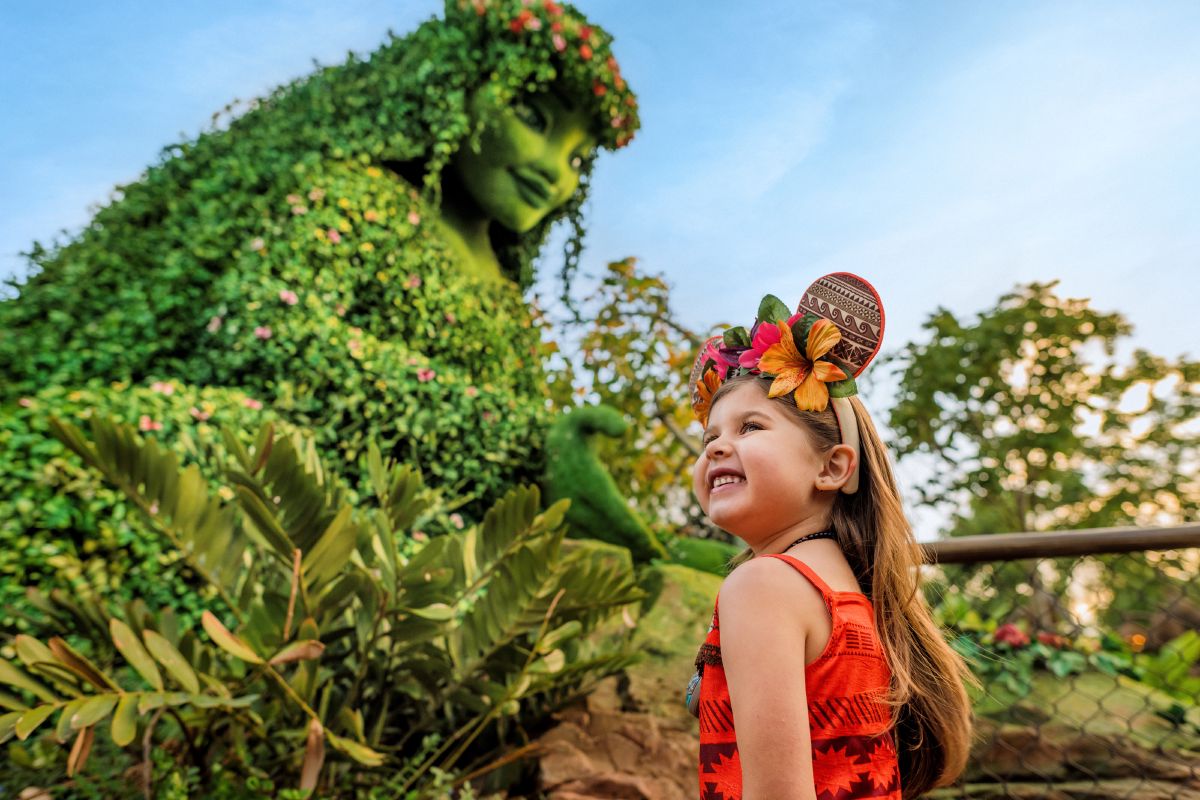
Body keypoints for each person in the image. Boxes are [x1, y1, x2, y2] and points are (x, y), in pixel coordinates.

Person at [685, 273, 973, 799]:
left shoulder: (763, 588)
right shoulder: (848, 594)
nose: (717, 448)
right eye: (711, 435)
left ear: (833, 467)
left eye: (750, 427)